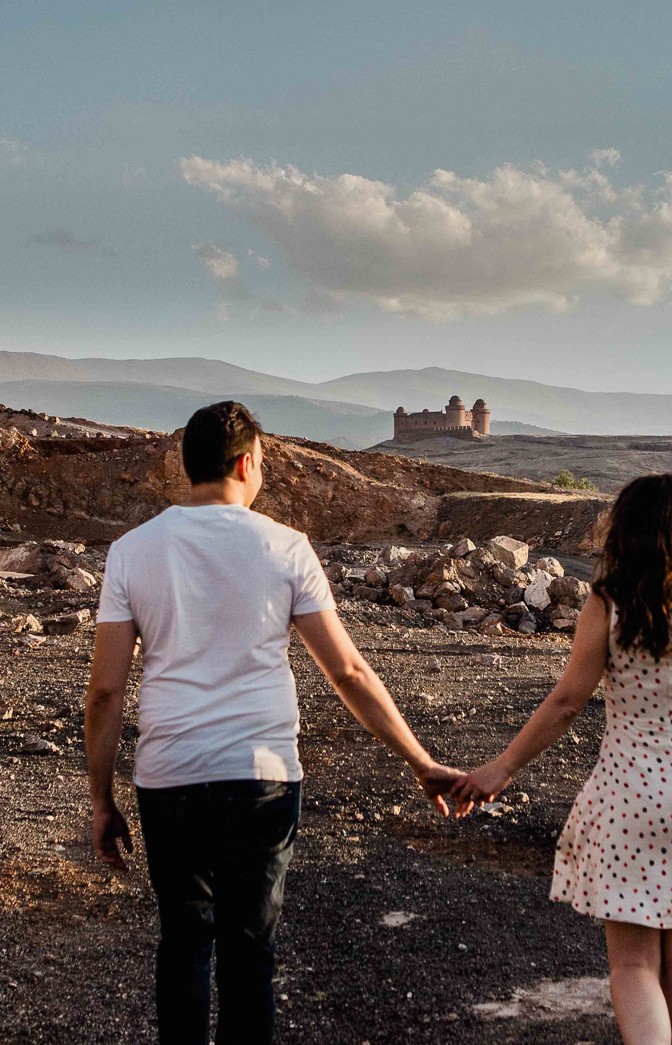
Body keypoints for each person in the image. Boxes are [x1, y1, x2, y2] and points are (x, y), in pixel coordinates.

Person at [85, 401, 461, 1045]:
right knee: (248, 956)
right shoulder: (287, 549)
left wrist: (101, 800)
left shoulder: (131, 551)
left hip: (168, 774)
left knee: (183, 944)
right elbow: (348, 674)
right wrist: (420, 760)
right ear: (246, 462)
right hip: (261, 776)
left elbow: (105, 692)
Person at [452, 473, 672, 1045]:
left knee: (633, 967)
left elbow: (566, 702)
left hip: (627, 796)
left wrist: (501, 768)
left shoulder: (609, 603)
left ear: (625, 531)